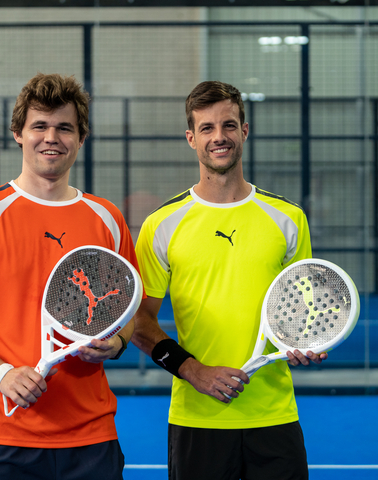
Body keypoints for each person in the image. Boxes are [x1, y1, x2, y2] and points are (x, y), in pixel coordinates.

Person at [0, 73, 138, 479]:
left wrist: (117, 342)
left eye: (64, 127)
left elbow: (128, 310)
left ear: (80, 137)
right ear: (18, 134)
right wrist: (0, 373)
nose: (51, 137)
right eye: (39, 126)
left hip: (92, 440)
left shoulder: (108, 219)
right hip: (1, 440)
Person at [131, 80, 328, 480]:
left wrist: (305, 342)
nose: (218, 137)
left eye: (228, 125)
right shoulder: (161, 225)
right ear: (191, 138)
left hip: (275, 415)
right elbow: (138, 321)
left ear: (245, 130)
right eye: (206, 128)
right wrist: (194, 371)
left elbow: (304, 310)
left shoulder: (289, 219)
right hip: (197, 419)